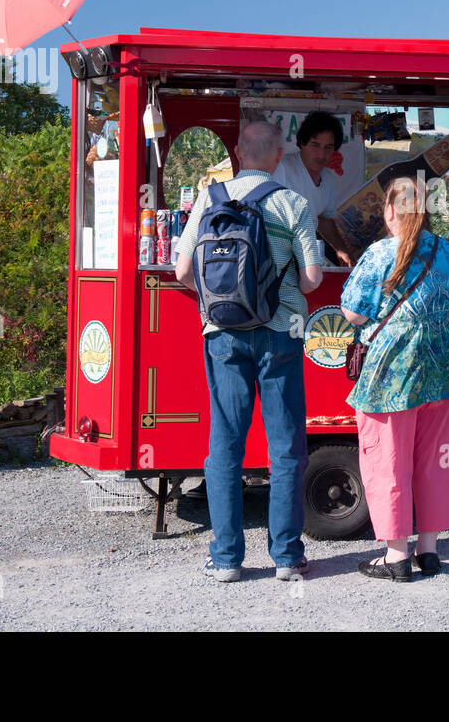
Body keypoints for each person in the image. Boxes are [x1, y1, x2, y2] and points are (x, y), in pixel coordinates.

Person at [174, 120, 324, 583]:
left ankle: (226, 560)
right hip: (281, 333)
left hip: (221, 334)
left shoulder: (209, 198)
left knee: (224, 446)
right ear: (279, 156)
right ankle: (285, 557)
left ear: (237, 151)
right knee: (284, 448)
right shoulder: (294, 202)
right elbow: (312, 280)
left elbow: (181, 271)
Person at [340, 176, 449, 581]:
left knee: (388, 462)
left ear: (390, 211)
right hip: (442, 374)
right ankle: (429, 552)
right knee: (435, 463)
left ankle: (396, 556)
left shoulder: (379, 254)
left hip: (390, 381)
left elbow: (353, 314)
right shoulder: (448, 253)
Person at [273, 111, 357, 266]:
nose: (321, 154)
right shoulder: (282, 169)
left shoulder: (328, 179)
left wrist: (340, 248)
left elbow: (324, 219)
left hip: (307, 258)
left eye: (328, 147)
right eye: (315, 145)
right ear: (302, 143)